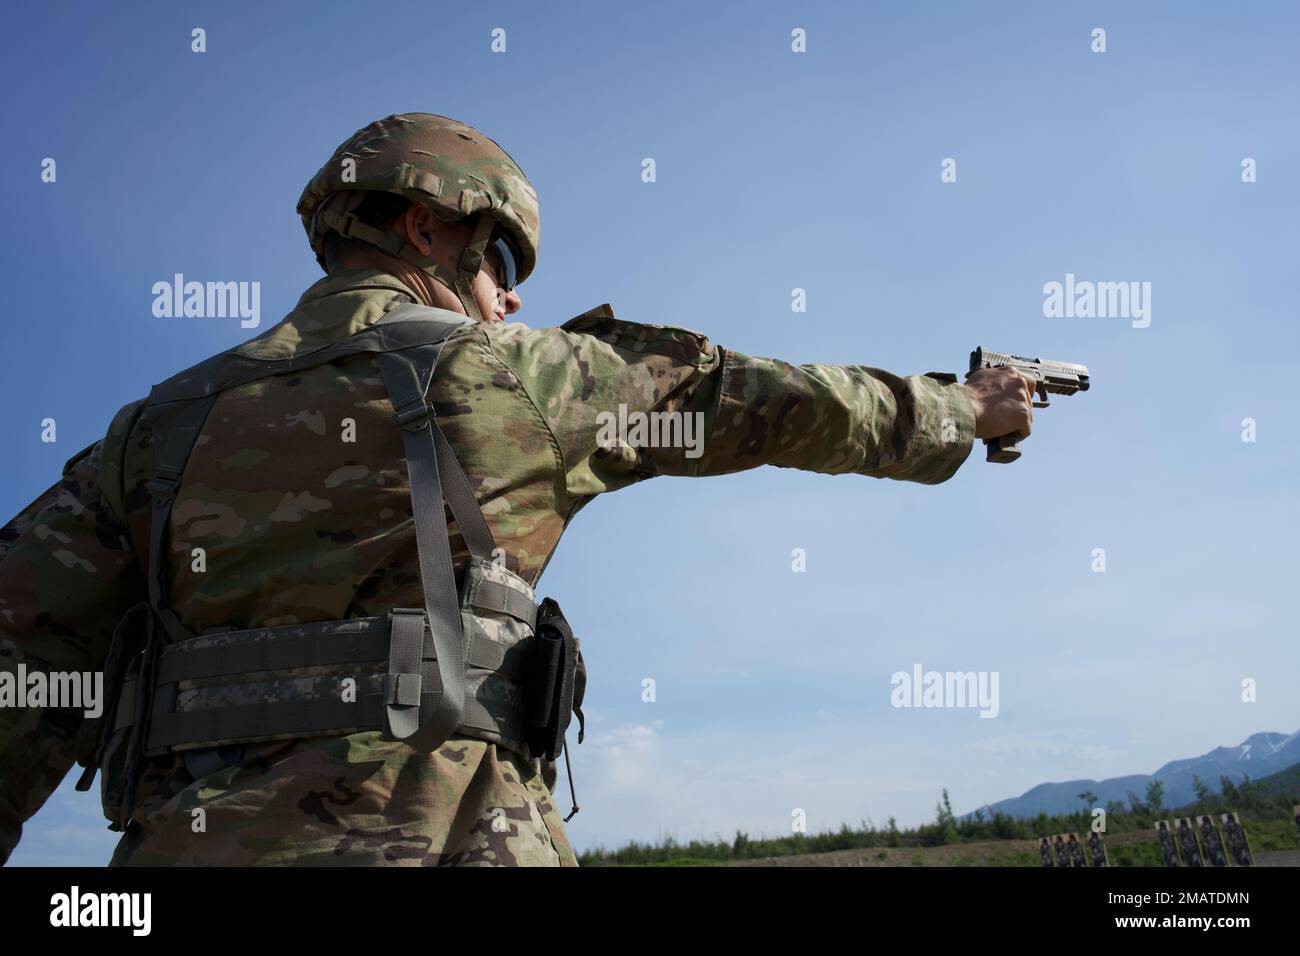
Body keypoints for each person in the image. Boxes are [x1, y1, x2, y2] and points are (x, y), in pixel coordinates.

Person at [0, 113, 1036, 867]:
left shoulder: (146, 434)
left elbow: (17, 668)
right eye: (498, 256)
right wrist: (965, 407)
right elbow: (769, 401)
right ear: (426, 231)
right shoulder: (517, 376)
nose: (513, 290)